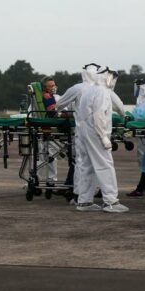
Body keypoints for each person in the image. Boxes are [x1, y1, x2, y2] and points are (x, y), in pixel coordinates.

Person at [74, 67, 128, 213]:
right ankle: (111, 201)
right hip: (96, 133)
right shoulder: (102, 92)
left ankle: (84, 201)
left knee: (87, 166)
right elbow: (99, 116)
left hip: (84, 131)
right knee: (105, 165)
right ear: (108, 77)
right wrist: (104, 137)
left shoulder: (90, 90)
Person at [55, 63, 99, 203]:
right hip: (100, 133)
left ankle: (78, 196)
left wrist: (68, 112)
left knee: (80, 163)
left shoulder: (77, 88)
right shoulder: (102, 89)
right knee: (99, 165)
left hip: (82, 132)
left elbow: (59, 104)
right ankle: (98, 195)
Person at [35, 76, 61, 188]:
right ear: (45, 88)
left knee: (41, 157)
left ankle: (36, 178)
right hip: (49, 129)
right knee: (52, 155)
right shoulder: (48, 97)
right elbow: (52, 113)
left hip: (42, 129)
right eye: (50, 86)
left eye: (54, 85)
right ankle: (51, 180)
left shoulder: (38, 97)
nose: (53, 87)